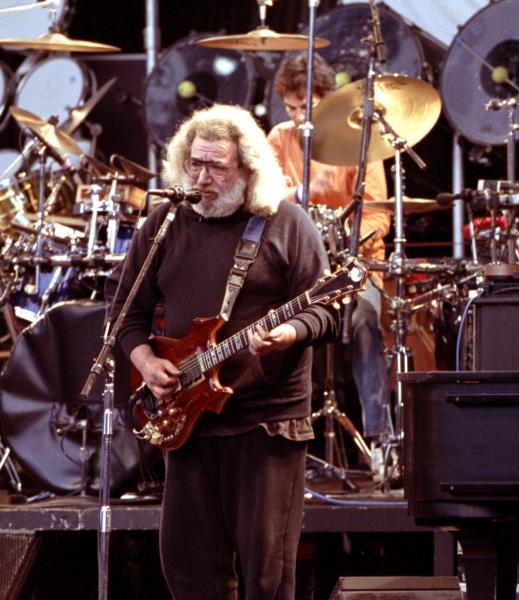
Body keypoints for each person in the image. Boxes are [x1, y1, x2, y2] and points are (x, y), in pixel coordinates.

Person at [111, 104, 339, 599]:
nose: (202, 177)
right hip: (189, 421)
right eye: (195, 164)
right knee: (189, 571)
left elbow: (327, 311)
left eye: (217, 166)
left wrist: (289, 334)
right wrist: (147, 363)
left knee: (266, 576)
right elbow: (124, 317)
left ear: (248, 169)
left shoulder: (286, 223)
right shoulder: (163, 225)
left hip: (266, 423)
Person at [266, 52, 394, 453]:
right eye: (290, 107)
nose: (298, 114)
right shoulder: (278, 138)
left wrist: (344, 243)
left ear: (326, 100)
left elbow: (378, 215)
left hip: (354, 267)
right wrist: (302, 192)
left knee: (365, 324)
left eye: (306, 105)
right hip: (294, 268)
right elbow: (265, 198)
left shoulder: (360, 142)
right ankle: (273, 433)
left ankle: (381, 439)